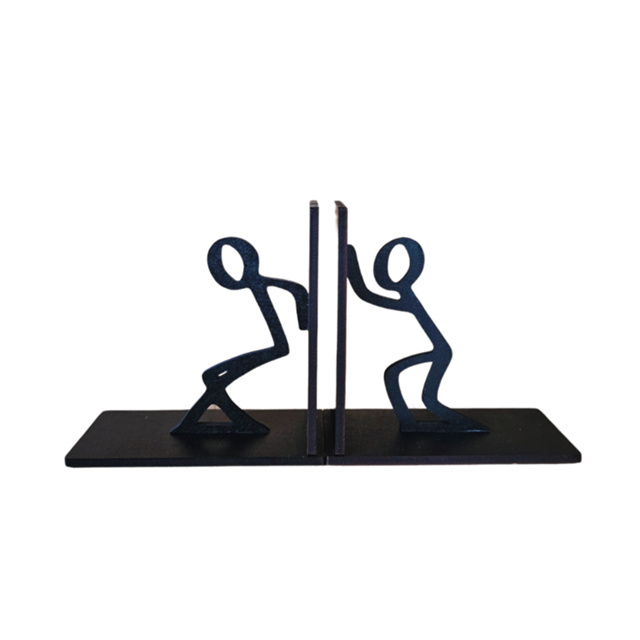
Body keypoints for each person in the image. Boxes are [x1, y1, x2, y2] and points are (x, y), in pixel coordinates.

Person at [347, 238, 487, 433]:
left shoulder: (407, 297)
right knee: (403, 380)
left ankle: (451, 425)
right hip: (440, 351)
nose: (384, 279)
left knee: (420, 392)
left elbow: (368, 295)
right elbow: (368, 294)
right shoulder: (406, 296)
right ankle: (413, 423)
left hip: (440, 352)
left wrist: (351, 267)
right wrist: (351, 265)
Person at [171, 237, 308, 435]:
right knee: (211, 378)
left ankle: (206, 424)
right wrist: (304, 319)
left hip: (278, 347)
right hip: (277, 346)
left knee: (211, 378)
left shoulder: (265, 283)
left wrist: (305, 321)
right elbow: (297, 290)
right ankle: (239, 422)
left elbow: (298, 291)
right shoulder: (265, 284)